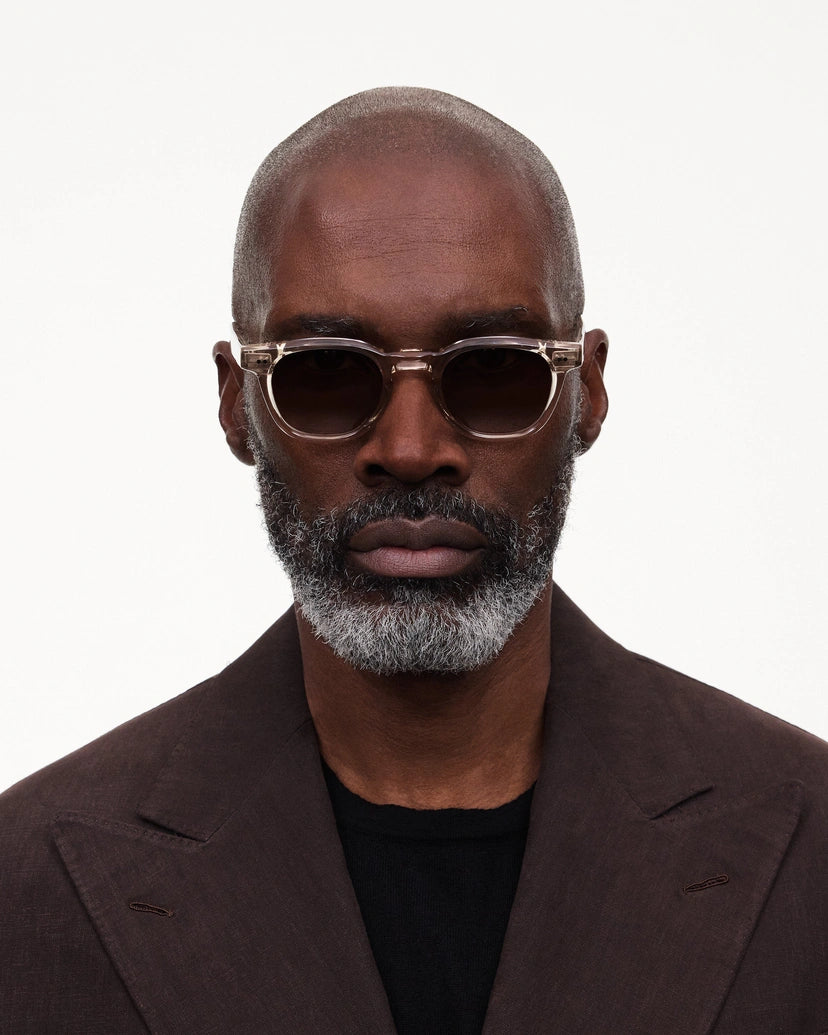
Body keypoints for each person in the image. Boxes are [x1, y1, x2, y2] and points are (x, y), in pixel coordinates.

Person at [1, 86, 826, 1035]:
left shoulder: (812, 850)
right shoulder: (27, 887)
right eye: (323, 371)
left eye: (494, 368)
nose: (410, 447)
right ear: (237, 405)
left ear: (588, 393)